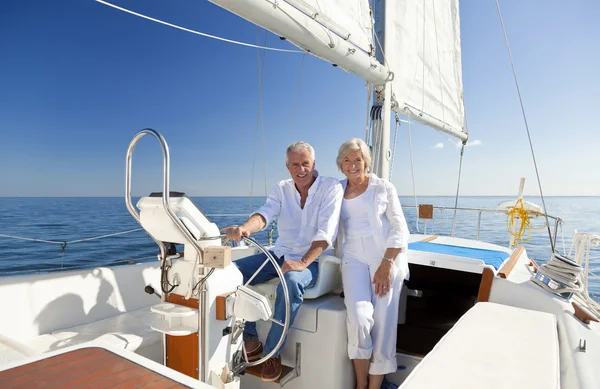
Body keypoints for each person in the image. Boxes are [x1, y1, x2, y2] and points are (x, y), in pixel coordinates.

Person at [226, 141, 343, 382]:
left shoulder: (331, 188)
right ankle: (250, 338)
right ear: (287, 167)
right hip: (280, 253)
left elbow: (326, 233)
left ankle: (271, 354)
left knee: (290, 281)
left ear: (314, 164)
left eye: (305, 164)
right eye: (295, 165)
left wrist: (301, 263)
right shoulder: (281, 188)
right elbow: (265, 213)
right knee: (232, 273)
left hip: (314, 259)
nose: (301, 169)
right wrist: (245, 229)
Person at [335, 138, 410, 389]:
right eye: (347, 159)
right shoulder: (336, 190)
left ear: (366, 161)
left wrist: (387, 264)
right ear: (340, 164)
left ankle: (374, 387)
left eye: (358, 159)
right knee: (358, 318)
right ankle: (361, 383)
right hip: (353, 257)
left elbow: (400, 227)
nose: (353, 164)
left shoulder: (383, 187)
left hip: (385, 257)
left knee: (383, 324)